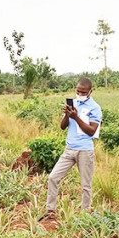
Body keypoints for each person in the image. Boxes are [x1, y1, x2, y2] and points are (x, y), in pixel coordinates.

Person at [41, 78, 101, 220]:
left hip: (85, 150)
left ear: (90, 92)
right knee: (53, 177)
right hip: (69, 149)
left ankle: (85, 215)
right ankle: (51, 210)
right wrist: (68, 115)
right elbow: (62, 126)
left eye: (83, 92)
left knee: (86, 185)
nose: (80, 94)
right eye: (78, 91)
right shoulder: (73, 103)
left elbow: (91, 131)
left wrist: (77, 117)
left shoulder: (95, 108)